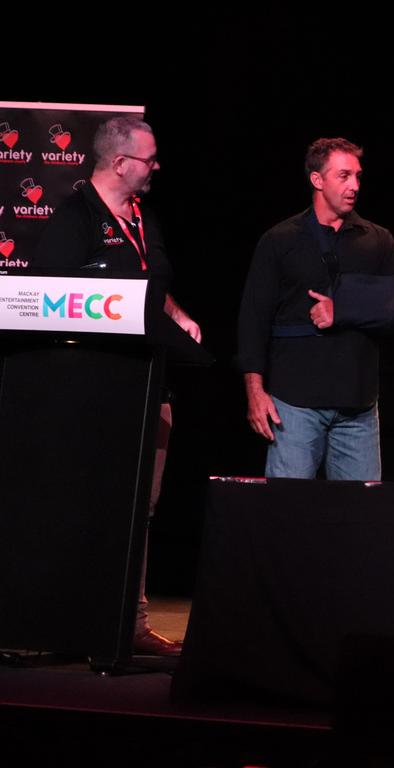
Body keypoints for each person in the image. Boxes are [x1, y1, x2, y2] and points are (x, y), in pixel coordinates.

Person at [33, 116, 202, 656]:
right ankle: (66, 621)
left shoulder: (143, 216)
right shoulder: (74, 217)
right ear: (120, 162)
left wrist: (178, 315)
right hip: (95, 392)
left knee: (141, 506)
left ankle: (132, 623)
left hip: (153, 383)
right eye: (149, 159)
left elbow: (152, 286)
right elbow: (52, 302)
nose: (156, 167)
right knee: (88, 500)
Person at [238, 137, 394, 480]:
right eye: (344, 176)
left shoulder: (377, 239)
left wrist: (341, 309)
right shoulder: (280, 239)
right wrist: (254, 391)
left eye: (358, 176)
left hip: (357, 405)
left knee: (359, 519)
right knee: (289, 512)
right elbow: (253, 320)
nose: (354, 186)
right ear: (317, 180)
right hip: (294, 403)